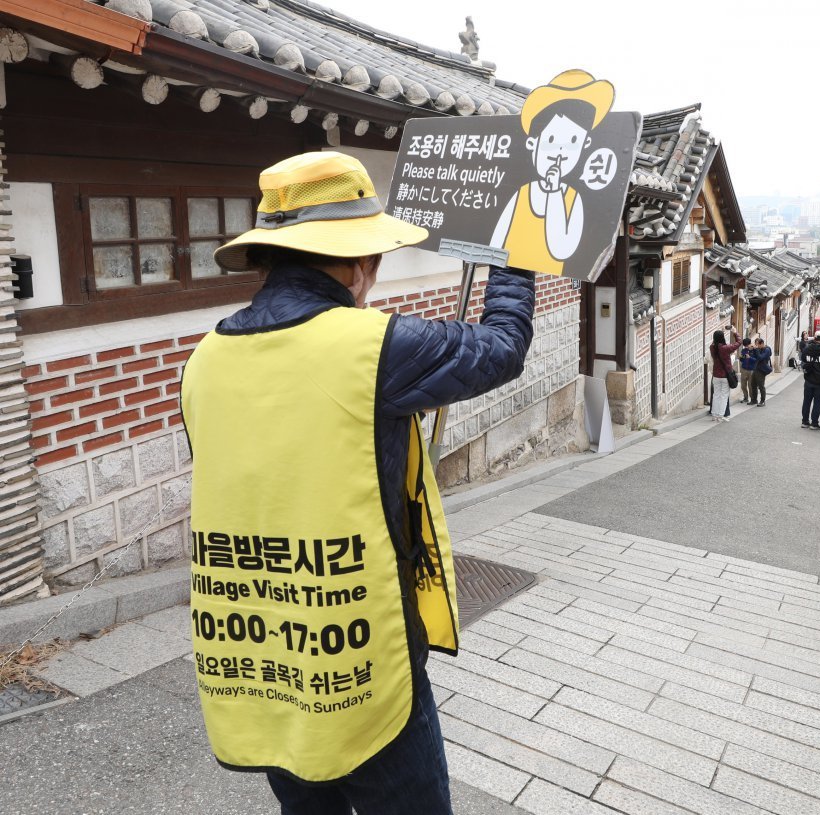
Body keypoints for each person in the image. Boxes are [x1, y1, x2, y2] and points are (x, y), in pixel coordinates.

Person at [180, 151, 536, 815]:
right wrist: (515, 255)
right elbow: (503, 346)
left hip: (264, 662)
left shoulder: (204, 359)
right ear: (354, 262)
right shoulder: (372, 346)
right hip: (363, 667)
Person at [490, 70, 614, 275]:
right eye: (552, 140)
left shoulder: (573, 199)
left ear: (586, 145)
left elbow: (561, 249)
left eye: (573, 141)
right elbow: (495, 242)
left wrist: (555, 193)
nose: (561, 151)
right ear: (533, 143)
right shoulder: (521, 193)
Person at [709, 327, 740, 422]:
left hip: (716, 376)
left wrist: (720, 332)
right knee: (724, 396)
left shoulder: (712, 347)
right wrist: (735, 333)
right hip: (725, 376)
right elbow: (739, 342)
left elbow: (715, 342)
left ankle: (714, 414)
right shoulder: (725, 348)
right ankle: (720, 415)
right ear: (722, 337)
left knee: (716, 395)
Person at [751, 337, 772, 406]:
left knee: (761, 386)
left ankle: (762, 401)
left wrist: (756, 349)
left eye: (758, 345)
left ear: (762, 344)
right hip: (756, 368)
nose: (757, 346)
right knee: (753, 384)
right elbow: (754, 357)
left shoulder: (767, 350)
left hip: (762, 370)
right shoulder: (758, 349)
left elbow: (760, 357)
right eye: (756, 344)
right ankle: (754, 400)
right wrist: (753, 350)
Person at [738, 337, 755, 404]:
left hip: (751, 370)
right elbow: (742, 359)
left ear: (750, 344)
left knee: (750, 386)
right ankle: (745, 397)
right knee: (743, 385)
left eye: (747, 345)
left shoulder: (754, 351)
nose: (746, 347)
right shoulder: (743, 350)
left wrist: (750, 357)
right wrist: (741, 357)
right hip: (744, 369)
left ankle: (752, 399)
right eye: (745, 346)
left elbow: (756, 360)